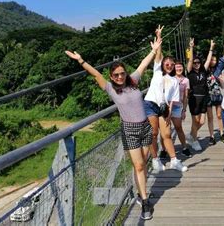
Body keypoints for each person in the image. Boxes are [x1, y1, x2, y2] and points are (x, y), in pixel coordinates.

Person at [64, 36, 161, 220]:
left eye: (122, 74)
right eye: (116, 75)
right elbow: (96, 74)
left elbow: (143, 64)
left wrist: (154, 50)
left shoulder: (133, 82)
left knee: (142, 164)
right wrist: (81, 61)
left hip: (145, 128)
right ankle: (146, 202)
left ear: (125, 73)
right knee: (139, 165)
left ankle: (141, 193)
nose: (119, 77)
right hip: (130, 130)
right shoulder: (110, 89)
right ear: (111, 77)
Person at [143, 25, 188, 173]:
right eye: (166, 63)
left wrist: (168, 113)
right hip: (150, 104)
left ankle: (174, 160)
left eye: (171, 64)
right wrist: (158, 39)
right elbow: (157, 55)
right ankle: (155, 160)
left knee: (167, 134)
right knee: (153, 133)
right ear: (162, 64)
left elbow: (174, 99)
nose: (169, 65)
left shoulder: (175, 80)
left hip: (164, 108)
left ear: (174, 66)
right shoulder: (157, 71)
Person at [186, 38, 214, 151]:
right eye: (194, 63)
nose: (196, 64)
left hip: (204, 99)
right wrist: (191, 47)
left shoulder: (203, 71)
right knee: (195, 121)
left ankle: (191, 136)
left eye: (198, 62)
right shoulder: (189, 72)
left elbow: (208, 60)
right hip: (194, 99)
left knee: (202, 121)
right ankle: (195, 139)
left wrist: (211, 48)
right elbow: (190, 60)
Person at [205, 40, 224, 145]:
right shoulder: (205, 70)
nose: (213, 61)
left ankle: (221, 134)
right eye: (211, 60)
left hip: (217, 96)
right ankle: (211, 136)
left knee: (219, 115)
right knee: (210, 117)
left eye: (214, 60)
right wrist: (211, 49)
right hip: (208, 96)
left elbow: (223, 61)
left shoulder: (217, 71)